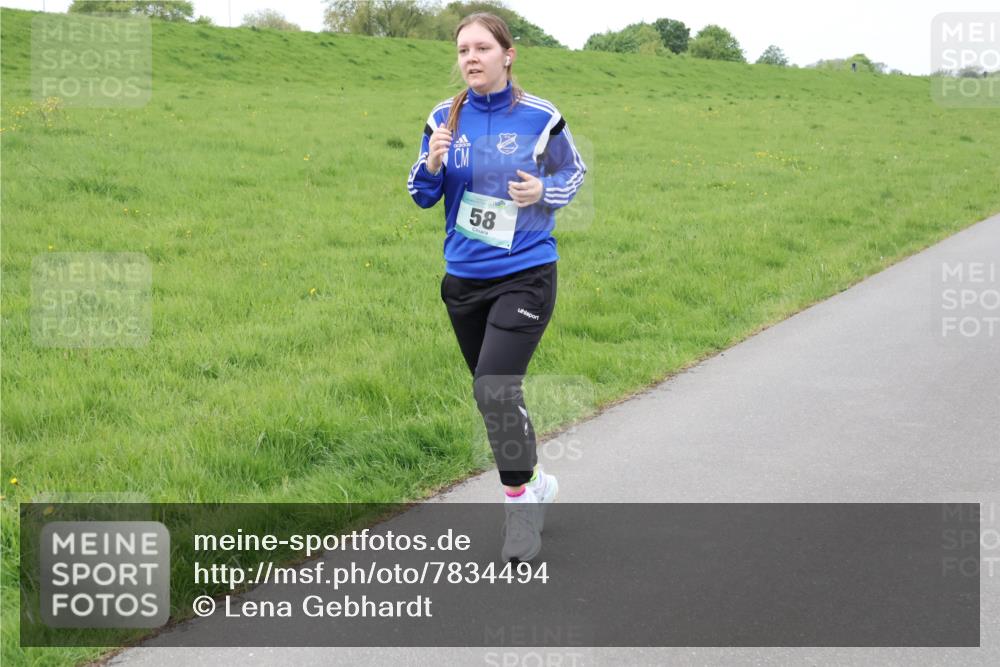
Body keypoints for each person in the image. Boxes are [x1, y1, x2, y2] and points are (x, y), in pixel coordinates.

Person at [406, 12, 587, 563]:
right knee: (496, 397)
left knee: (494, 389)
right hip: (464, 281)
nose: (471, 58)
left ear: (507, 55)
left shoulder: (540, 116)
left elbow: (573, 173)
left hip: (527, 273)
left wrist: (544, 191)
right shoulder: (443, 117)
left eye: (482, 47)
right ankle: (533, 482)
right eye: (463, 50)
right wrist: (433, 163)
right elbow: (420, 193)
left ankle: (518, 510)